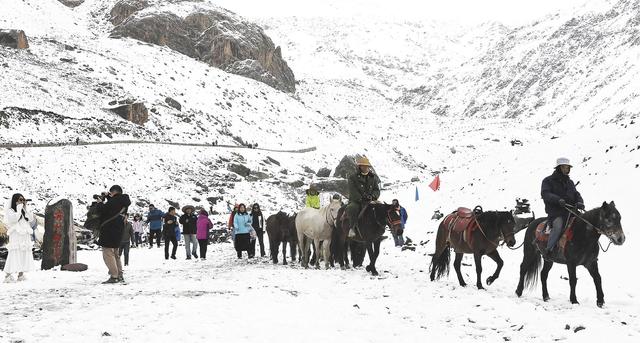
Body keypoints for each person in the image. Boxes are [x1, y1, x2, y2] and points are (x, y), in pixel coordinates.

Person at [541, 157, 584, 257]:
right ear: (558, 168)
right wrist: (557, 200)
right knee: (558, 226)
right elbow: (545, 194)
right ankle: (549, 251)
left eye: (568, 167)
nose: (566, 169)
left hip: (571, 211)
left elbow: (576, 194)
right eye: (564, 167)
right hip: (556, 213)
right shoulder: (547, 181)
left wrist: (580, 202)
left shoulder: (570, 182)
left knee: (584, 223)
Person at [96, 185, 131, 284]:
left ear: (113, 192)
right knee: (116, 254)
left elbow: (104, 210)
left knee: (108, 253)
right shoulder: (123, 201)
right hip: (118, 230)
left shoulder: (114, 201)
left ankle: (114, 276)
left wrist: (99, 203)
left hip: (109, 230)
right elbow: (113, 208)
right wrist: (108, 197)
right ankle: (119, 275)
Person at [3, 194, 36, 282]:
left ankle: (21, 275)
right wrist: (18, 209)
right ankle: (8, 275)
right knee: (14, 252)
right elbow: (14, 219)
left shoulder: (23, 210)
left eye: (23, 200)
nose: (22, 201)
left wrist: (25, 208)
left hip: (25, 234)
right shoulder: (11, 210)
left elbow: (31, 219)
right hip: (16, 234)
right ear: (15, 201)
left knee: (24, 252)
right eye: (20, 200)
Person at [346, 157, 381, 238]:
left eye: (367, 166)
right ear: (360, 167)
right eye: (363, 166)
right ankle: (352, 228)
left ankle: (381, 228)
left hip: (371, 200)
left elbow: (377, 190)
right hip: (357, 201)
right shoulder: (352, 177)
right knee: (352, 208)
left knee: (382, 207)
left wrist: (373, 196)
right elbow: (353, 191)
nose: (366, 168)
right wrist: (362, 198)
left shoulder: (373, 177)